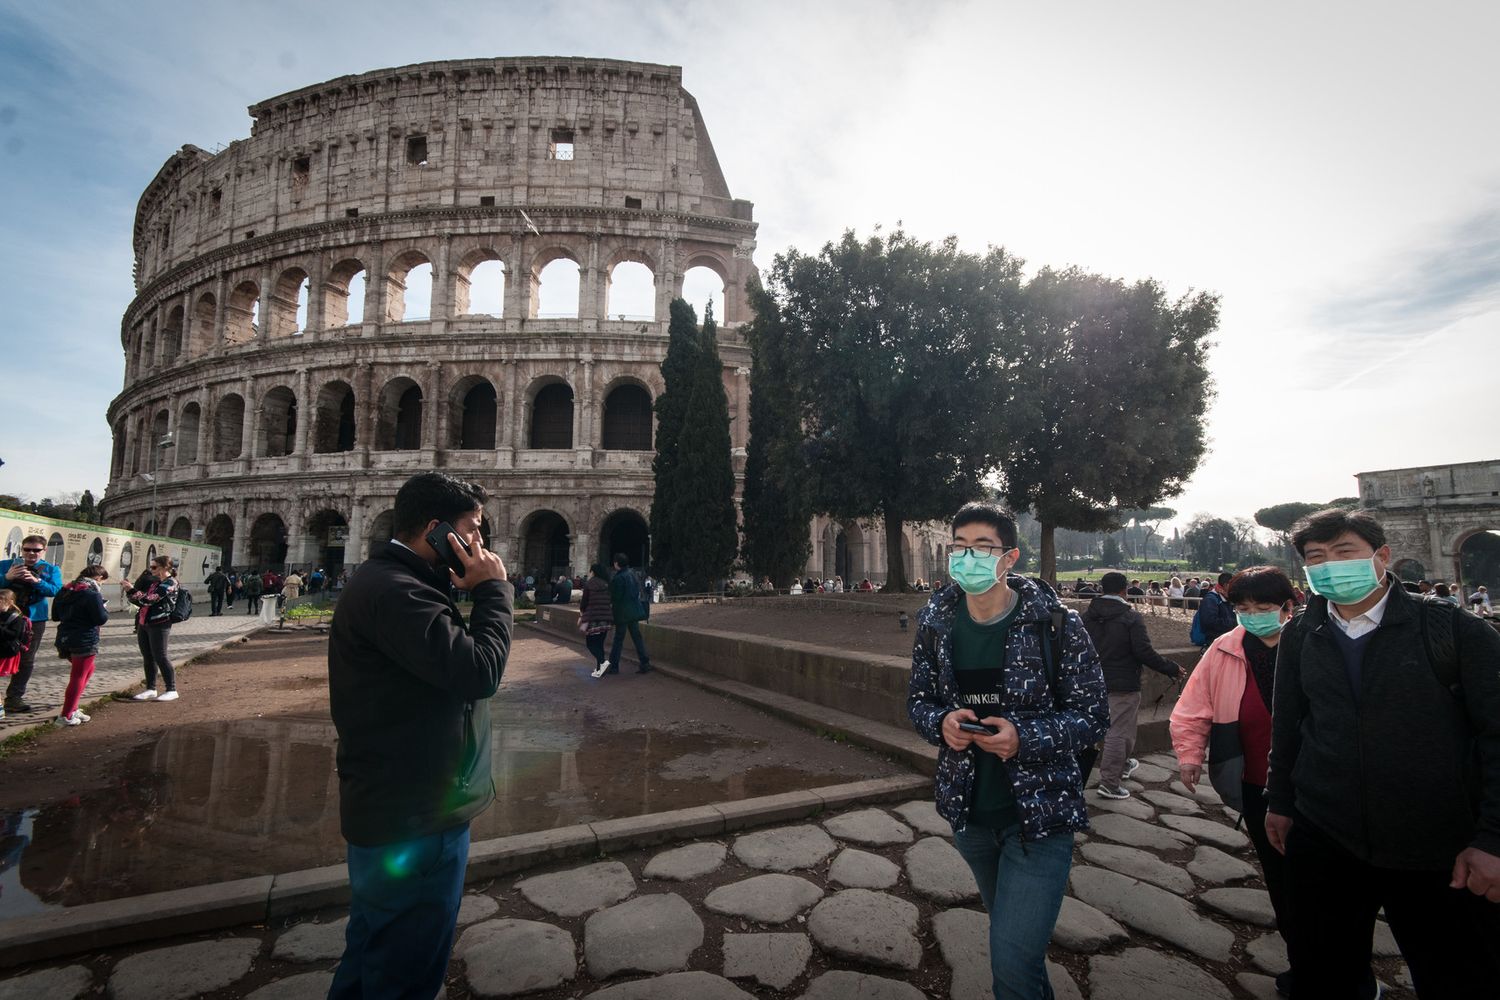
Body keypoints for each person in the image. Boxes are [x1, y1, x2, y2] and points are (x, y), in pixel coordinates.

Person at [1267, 508, 1500, 998]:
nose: (1331, 566)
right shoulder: (1299, 634)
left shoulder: (1453, 630)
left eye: (1344, 552)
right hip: (1324, 832)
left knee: (1456, 974)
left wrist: (1493, 838)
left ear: (1382, 556)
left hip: (1437, 845)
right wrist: (1281, 801)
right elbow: (1288, 725)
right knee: (1322, 971)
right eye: (1317, 558)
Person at [907, 501, 1108, 1000]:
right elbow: (918, 701)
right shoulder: (936, 623)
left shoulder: (1056, 625)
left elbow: (1092, 717)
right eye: (958, 546)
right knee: (1016, 950)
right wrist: (941, 723)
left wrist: (1025, 737)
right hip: (972, 818)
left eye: (981, 547)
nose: (966, 556)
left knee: (1012, 963)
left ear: (1010, 557)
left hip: (1039, 819)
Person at [327, 472, 512, 1000]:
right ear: (436, 531)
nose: (481, 543)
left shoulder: (392, 582)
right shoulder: (396, 591)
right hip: (417, 817)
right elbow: (480, 671)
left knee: (371, 955)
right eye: (473, 530)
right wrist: (494, 591)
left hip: (394, 805)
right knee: (405, 973)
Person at [1170, 566, 1381, 997]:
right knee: (1282, 880)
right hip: (1255, 782)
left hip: (1321, 784)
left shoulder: (1318, 641)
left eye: (1263, 607)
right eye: (1242, 608)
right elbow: (1194, 704)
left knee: (1336, 886)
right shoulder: (1224, 647)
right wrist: (1190, 754)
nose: (1251, 615)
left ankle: (1352, 975)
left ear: (1288, 606)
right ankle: (1304, 965)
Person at [1084, 572, 1185, 799]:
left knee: (1106, 730)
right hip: (1123, 683)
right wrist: (1171, 668)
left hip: (1090, 681)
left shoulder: (1086, 617)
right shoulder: (1130, 617)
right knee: (1119, 732)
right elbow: (1143, 651)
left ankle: (1124, 763)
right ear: (1124, 590)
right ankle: (1110, 782)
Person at [1, 534, 63, 715]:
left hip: (34, 619)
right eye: (27, 549)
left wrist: (37, 581)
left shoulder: (51, 569)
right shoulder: (6, 565)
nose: (31, 553)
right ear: (22, 550)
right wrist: (7, 577)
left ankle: (14, 698)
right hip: (4, 616)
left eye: (36, 550)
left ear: (44, 551)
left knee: (26, 659)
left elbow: (56, 590)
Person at [52, 565, 111, 726]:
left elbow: (55, 616)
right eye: (102, 582)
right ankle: (66, 715)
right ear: (98, 578)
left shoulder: (65, 590)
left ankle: (73, 707)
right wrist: (104, 610)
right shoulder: (92, 594)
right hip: (84, 639)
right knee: (78, 675)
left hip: (64, 637)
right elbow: (101, 619)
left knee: (88, 670)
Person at [128, 555, 180, 702]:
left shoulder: (170, 583)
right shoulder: (155, 583)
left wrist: (132, 591)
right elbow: (141, 601)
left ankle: (171, 689)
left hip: (160, 623)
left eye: (154, 567)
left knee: (161, 656)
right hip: (145, 622)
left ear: (165, 568)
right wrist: (130, 594)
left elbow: (149, 600)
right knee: (148, 657)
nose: (151, 570)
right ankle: (151, 688)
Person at [606, 553, 652, 675]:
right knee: (637, 637)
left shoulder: (618, 578)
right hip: (634, 611)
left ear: (616, 564)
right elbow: (637, 590)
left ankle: (614, 666)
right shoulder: (633, 574)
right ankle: (645, 662)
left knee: (618, 639)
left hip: (622, 612)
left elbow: (616, 596)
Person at [0, 590, 32, 719]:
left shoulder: (16, 618)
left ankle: (1, 710)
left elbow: (14, 635)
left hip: (6, 654)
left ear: (9, 602)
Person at [581, 563, 614, 677]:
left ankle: (603, 662)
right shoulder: (607, 584)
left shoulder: (590, 584)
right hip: (606, 618)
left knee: (590, 644)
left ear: (593, 572)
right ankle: (600, 669)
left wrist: (582, 614)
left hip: (593, 618)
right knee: (599, 644)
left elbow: (584, 602)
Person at [1194, 572, 1236, 648]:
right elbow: (1209, 622)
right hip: (1214, 640)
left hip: (1225, 637)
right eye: (1234, 585)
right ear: (1226, 585)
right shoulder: (1211, 599)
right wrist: (1235, 623)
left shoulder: (1227, 598)